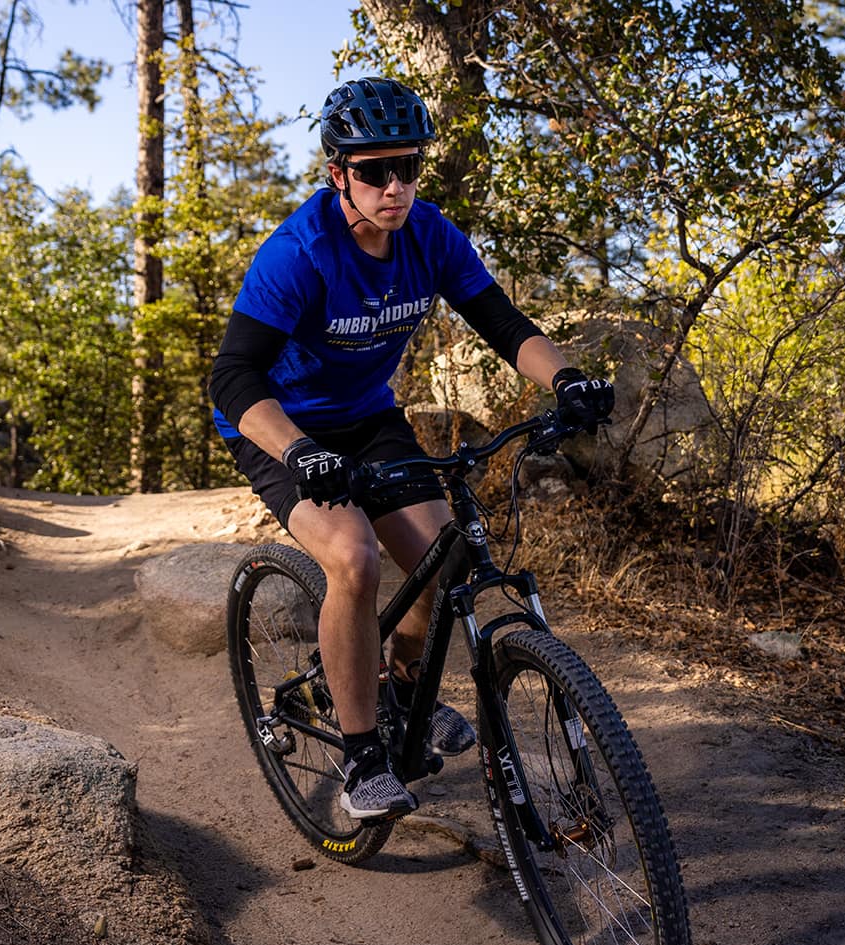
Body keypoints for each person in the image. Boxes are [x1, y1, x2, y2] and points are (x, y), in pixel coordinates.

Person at [209, 77, 614, 821]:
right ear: (338, 174)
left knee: (444, 555)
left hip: (367, 418)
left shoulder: (430, 235)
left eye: (409, 168)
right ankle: (363, 753)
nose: (395, 187)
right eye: (374, 171)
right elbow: (233, 375)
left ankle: (400, 696)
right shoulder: (298, 253)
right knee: (354, 558)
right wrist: (299, 452)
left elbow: (503, 324)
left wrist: (569, 381)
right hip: (280, 427)